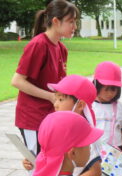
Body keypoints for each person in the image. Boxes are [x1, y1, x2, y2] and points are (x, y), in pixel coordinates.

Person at [11, 0, 78, 164]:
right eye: (71, 21)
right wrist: (50, 97)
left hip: (51, 116)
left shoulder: (61, 48)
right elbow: (17, 81)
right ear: (56, 21)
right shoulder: (38, 45)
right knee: (37, 166)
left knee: (52, 164)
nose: (74, 26)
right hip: (33, 118)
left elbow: (60, 83)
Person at [48, 74, 101, 176]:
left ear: (80, 104)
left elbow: (95, 171)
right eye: (56, 99)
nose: (55, 104)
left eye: (61, 99)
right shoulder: (59, 127)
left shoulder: (85, 134)